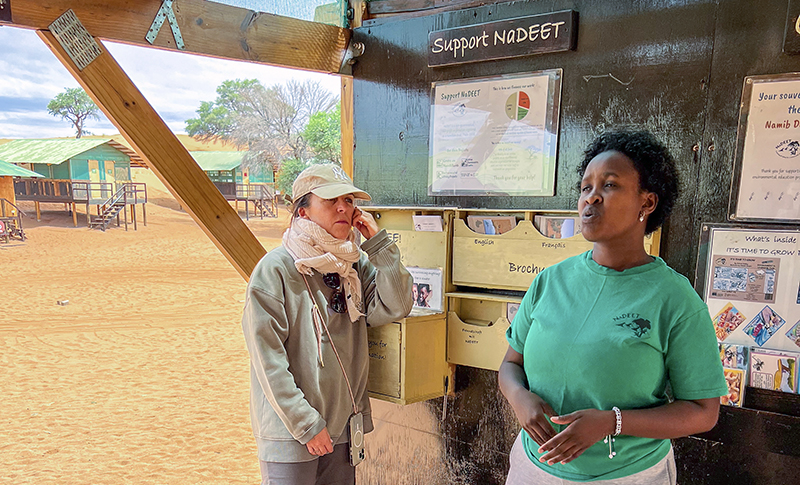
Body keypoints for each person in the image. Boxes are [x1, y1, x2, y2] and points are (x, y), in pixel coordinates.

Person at [499, 130, 728, 485]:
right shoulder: (550, 281)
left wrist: (613, 422)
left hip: (627, 475)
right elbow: (511, 364)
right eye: (585, 187)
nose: (591, 198)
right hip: (534, 468)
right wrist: (519, 397)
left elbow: (702, 412)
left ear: (647, 203)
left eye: (609, 185)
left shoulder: (674, 299)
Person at [241, 164, 413, 485]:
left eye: (348, 200)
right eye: (331, 200)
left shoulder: (354, 265)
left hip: (344, 427)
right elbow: (268, 361)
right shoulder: (275, 270)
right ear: (302, 212)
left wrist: (378, 245)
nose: (343, 208)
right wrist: (306, 423)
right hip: (293, 432)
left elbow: (398, 304)